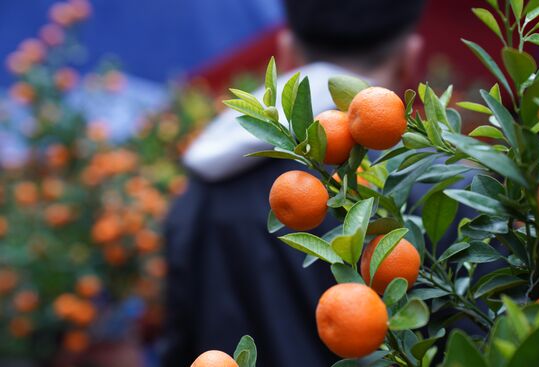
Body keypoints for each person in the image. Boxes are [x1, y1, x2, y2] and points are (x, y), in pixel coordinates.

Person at [160, 1, 426, 366]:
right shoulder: (432, 181)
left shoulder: (205, 179)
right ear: (409, 59)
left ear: (285, 55)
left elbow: (182, 339)